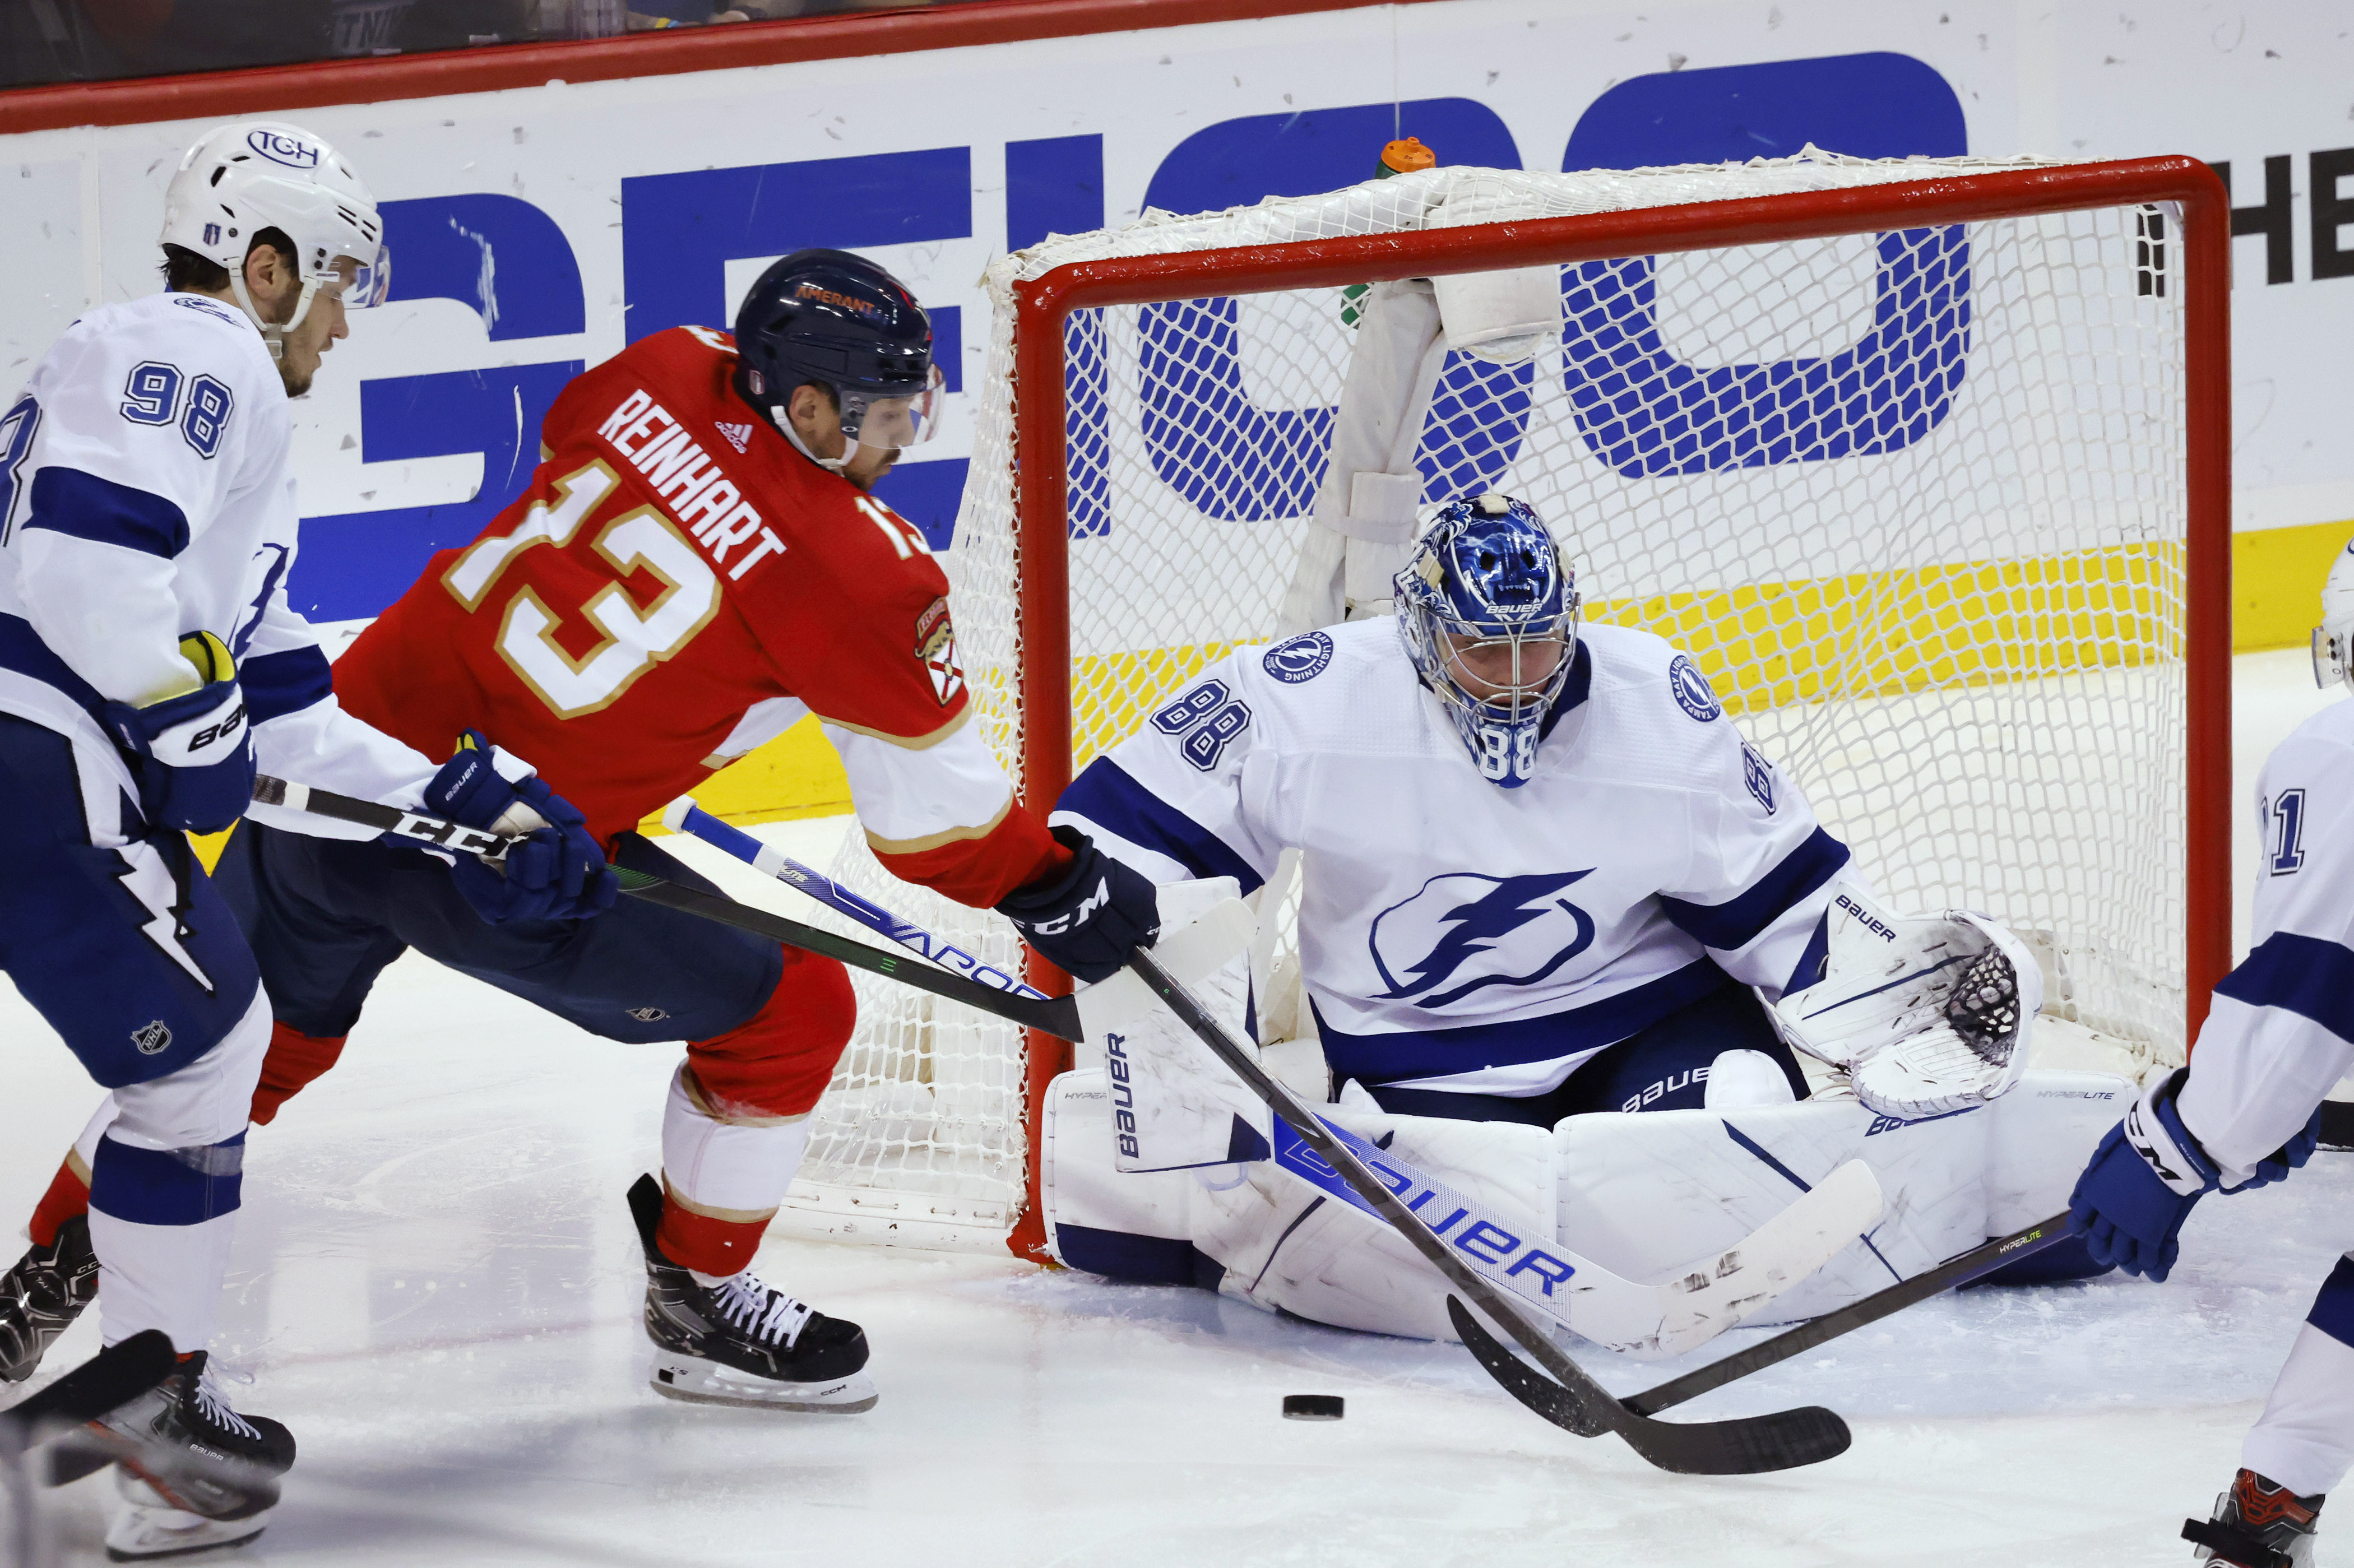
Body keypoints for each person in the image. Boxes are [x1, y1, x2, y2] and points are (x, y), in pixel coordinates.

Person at [2, 248, 1133, 1418]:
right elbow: (937, 832)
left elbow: (571, 456)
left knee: (228, 1059)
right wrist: (1053, 881)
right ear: (806, 407)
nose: (908, 431)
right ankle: (699, 1298)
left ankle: (41, 1281)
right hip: (499, 853)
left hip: (338, 756)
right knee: (796, 1014)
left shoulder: (671, 365)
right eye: (887, 411)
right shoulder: (868, 578)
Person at [1016, 494, 2100, 1344]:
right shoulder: (1306, 700)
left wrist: (1889, 995)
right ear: (1421, 633)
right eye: (1485, 650)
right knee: (1479, 1217)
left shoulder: (1655, 704)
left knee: (1742, 1102)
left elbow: (1787, 906)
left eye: (1540, 645)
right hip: (1425, 1063)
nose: (1518, 678)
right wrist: (1159, 995)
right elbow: (1114, 835)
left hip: (1648, 1023)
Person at [0, 119, 614, 1560]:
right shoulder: (198, 351)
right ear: (261, 265)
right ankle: (148, 1438)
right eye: (333, 286)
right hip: (28, 747)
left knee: (214, 1040)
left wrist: (472, 804)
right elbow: (85, 573)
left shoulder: (203, 443)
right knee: (213, 1046)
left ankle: (142, 1414)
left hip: (36, 742)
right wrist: (192, 735)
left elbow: (281, 709)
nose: (341, 327)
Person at [2066, 538, 2354, 1568]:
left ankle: (2276, 1499)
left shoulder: (2340, 751)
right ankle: (2278, 1493)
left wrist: (2185, 1144)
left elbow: (2309, 987)